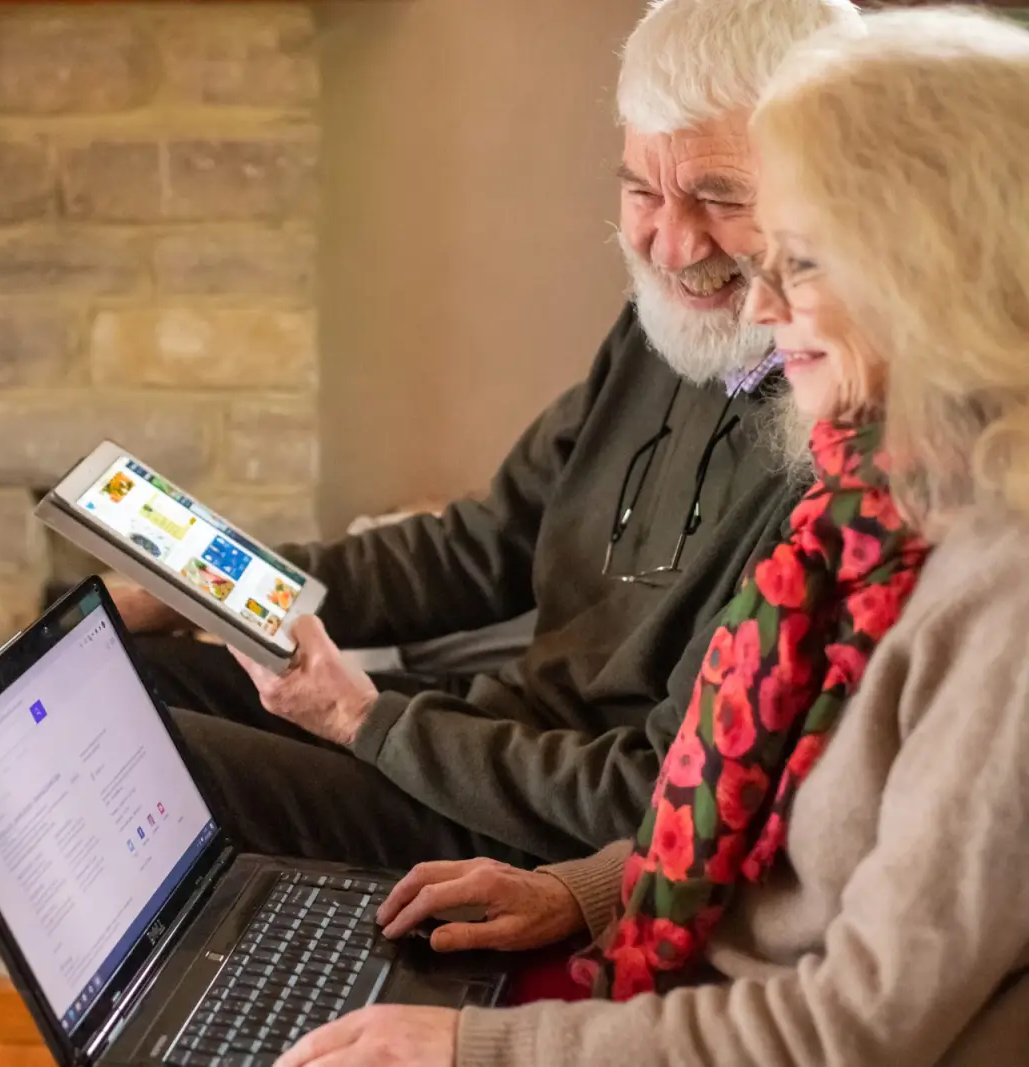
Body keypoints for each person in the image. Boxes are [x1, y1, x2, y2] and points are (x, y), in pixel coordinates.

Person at [275, 8, 1029, 1064]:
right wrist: (583, 890)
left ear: (933, 272)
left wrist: (471, 1048)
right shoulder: (873, 512)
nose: (759, 307)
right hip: (657, 943)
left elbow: (847, 1027)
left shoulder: (1000, 600)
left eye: (799, 260)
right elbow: (768, 838)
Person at [114, 0, 861, 871]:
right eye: (640, 190)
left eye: (721, 196)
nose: (669, 243)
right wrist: (213, 577)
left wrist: (362, 718)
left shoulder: (830, 449)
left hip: (530, 827)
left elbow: (648, 795)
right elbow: (487, 544)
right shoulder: (669, 326)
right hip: (478, 737)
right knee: (126, 677)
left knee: (148, 759)